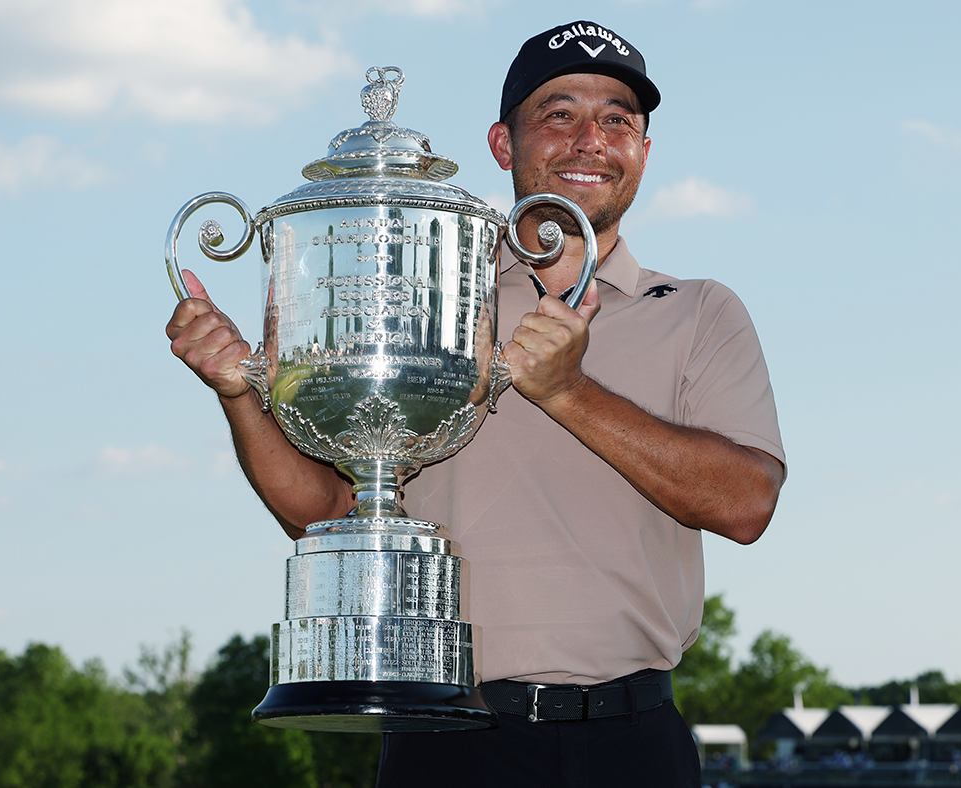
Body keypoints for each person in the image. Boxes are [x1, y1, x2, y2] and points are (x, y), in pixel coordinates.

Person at [166, 20, 785, 788]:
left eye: (618, 118)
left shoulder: (699, 310)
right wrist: (239, 395)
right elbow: (324, 513)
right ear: (504, 144)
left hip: (634, 743)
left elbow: (746, 505)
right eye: (559, 114)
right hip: (447, 735)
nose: (591, 138)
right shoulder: (422, 298)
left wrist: (568, 392)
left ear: (644, 151)